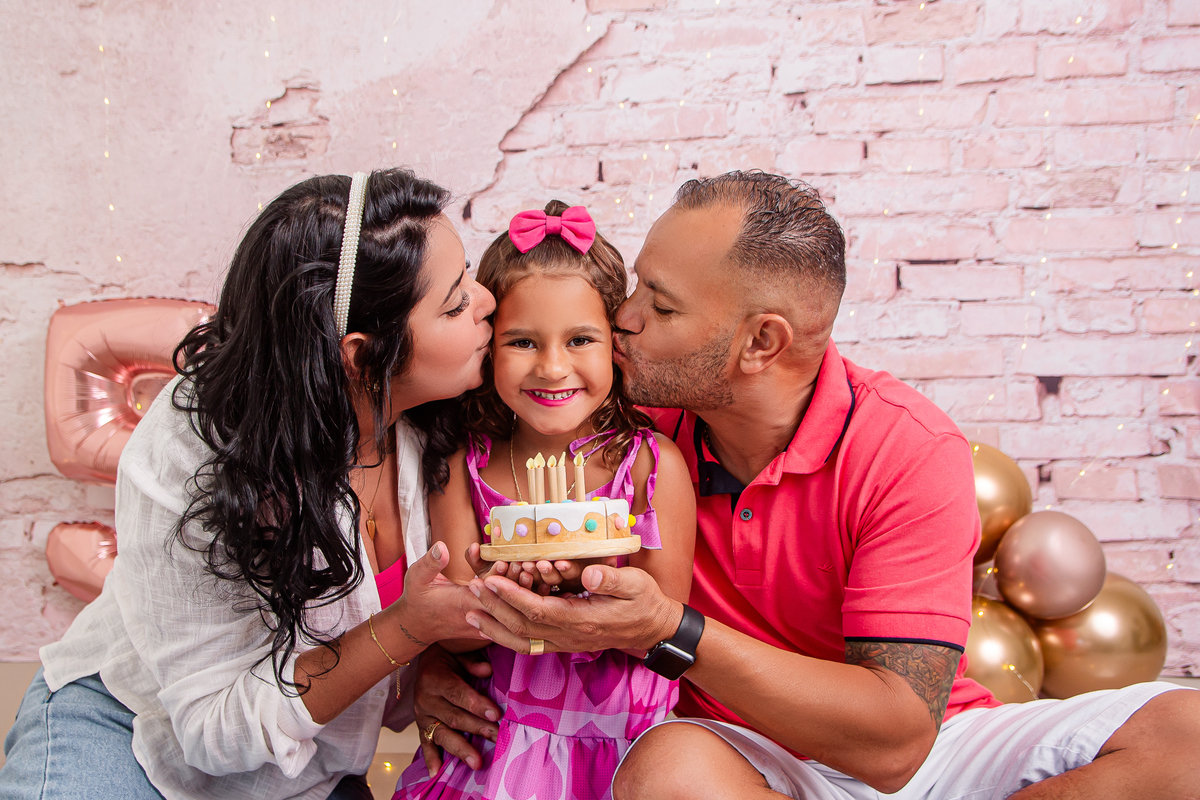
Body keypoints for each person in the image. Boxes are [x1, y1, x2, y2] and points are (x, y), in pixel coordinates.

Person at [417, 171, 1200, 800]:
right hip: (738, 755)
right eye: (636, 290)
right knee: (667, 777)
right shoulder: (622, 426)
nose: (624, 319)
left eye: (659, 303)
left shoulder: (904, 448)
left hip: (930, 750)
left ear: (762, 342)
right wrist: (436, 660)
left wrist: (668, 628)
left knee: (1188, 737)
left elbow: (897, 746)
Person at [0, 168, 498, 800]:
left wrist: (427, 663)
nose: (486, 302)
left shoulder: (443, 423)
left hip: (304, 769)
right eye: (455, 303)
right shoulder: (196, 452)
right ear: (363, 355)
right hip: (130, 729)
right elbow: (212, 732)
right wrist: (405, 632)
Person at [391, 201, 695, 800]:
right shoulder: (464, 462)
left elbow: (663, 631)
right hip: (498, 746)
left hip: (623, 748)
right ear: (488, 345)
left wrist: (592, 583)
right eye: (523, 341)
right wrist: (501, 591)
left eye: (580, 339)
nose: (553, 368)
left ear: (615, 342)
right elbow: (456, 636)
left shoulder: (650, 464)